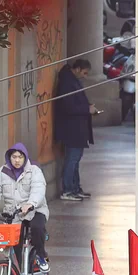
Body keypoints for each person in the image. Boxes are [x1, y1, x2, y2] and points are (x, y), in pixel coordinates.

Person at [0, 143, 49, 271]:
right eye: (14, 157)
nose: (17, 160)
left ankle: (42, 257)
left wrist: (30, 203)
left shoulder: (34, 170)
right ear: (9, 158)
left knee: (37, 228)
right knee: (14, 243)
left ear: (25, 158)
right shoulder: (3, 172)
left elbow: (39, 188)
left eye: (20, 157)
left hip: (35, 210)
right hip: (14, 213)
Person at [52, 59, 95, 201]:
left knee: (75, 159)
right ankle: (68, 190)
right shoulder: (67, 83)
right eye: (84, 73)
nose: (85, 76)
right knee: (72, 159)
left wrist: (87, 107)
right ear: (77, 69)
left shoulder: (71, 81)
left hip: (76, 127)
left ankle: (75, 188)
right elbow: (68, 106)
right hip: (72, 128)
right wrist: (86, 109)